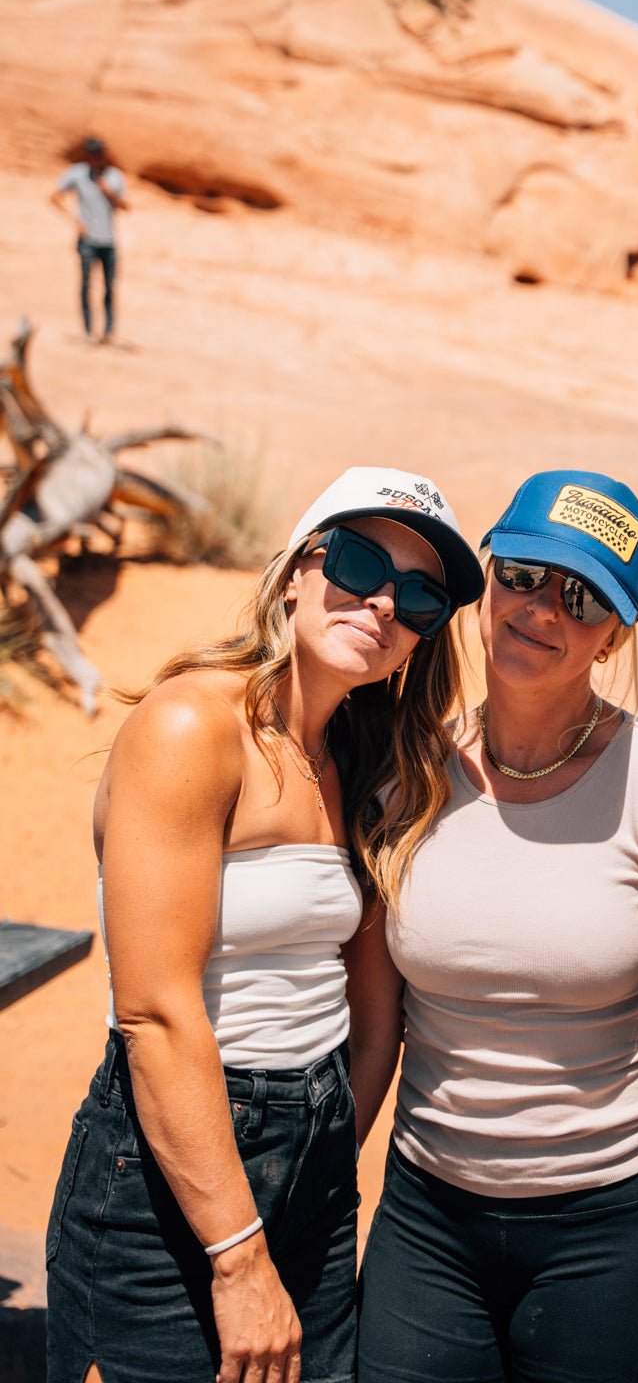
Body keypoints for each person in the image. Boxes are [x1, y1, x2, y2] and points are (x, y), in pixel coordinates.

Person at [46, 467, 484, 1383]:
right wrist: (239, 1255)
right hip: (171, 1174)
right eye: (359, 563)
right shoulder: (190, 728)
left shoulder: (360, 759)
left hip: (315, 1168)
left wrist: (320, 1152)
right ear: (295, 571)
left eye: (419, 597)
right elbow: (156, 1013)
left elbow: (373, 1010)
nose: (380, 603)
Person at [355, 469, 638, 1383]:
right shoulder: (408, 769)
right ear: (486, 581)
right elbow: (375, 1025)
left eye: (583, 596)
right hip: (425, 1215)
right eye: (521, 576)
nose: (542, 610)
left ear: (615, 632)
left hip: (607, 1225)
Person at [50, 136, 129, 344]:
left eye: (99, 154)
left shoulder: (114, 176)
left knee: (109, 287)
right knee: (86, 285)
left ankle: (108, 332)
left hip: (108, 240)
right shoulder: (77, 174)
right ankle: (88, 331)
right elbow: (54, 197)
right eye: (92, 155)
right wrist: (74, 220)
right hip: (87, 240)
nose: (95, 159)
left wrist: (108, 191)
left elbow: (126, 206)